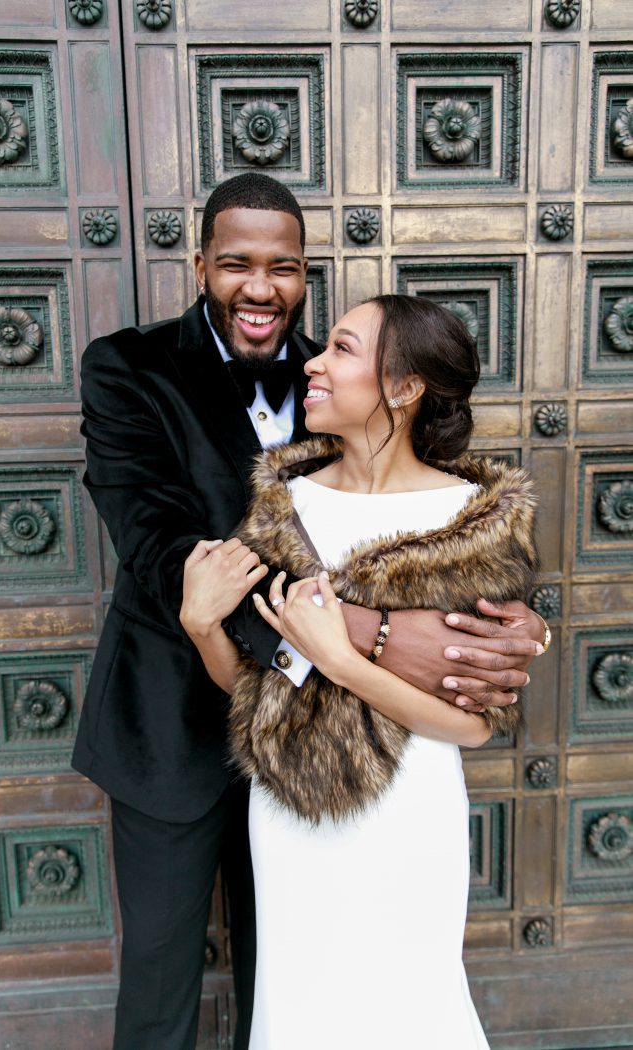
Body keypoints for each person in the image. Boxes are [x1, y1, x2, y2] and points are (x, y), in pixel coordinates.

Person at [72, 173, 547, 1050]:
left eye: (283, 268)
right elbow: (160, 541)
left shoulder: (338, 375)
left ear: (304, 273)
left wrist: (497, 627)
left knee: (289, 978)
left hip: (329, 752)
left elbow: (418, 529)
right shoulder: (128, 366)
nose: (261, 290)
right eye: (238, 265)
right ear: (202, 263)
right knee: (161, 980)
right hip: (170, 726)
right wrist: (363, 638)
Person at [180, 293, 539, 1049]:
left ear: (404, 388)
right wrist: (202, 624)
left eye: (341, 349)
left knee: (411, 1007)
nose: (312, 361)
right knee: (301, 1008)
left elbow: (472, 727)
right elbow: (255, 686)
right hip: (287, 813)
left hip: (408, 811)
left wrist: (342, 658)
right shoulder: (283, 504)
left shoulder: (472, 520)